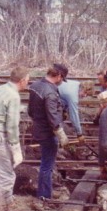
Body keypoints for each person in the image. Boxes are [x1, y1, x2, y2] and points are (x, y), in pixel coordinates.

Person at [28, 63, 69, 203]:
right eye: (62, 78)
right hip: (47, 132)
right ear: (58, 76)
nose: (61, 82)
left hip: (38, 128)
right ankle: (45, 196)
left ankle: (45, 191)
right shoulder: (50, 92)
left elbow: (30, 111)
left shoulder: (35, 85)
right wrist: (60, 133)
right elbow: (53, 116)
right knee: (47, 165)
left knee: (46, 163)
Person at [0, 66, 30, 211]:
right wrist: (15, 147)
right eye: (27, 81)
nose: (28, 84)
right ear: (21, 81)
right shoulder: (14, 96)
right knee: (7, 175)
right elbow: (11, 126)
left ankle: (8, 203)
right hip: (0, 136)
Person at [58, 70, 84, 138]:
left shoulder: (75, 83)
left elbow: (64, 96)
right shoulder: (73, 95)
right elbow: (74, 115)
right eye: (85, 93)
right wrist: (79, 133)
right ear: (83, 89)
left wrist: (64, 110)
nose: (84, 96)